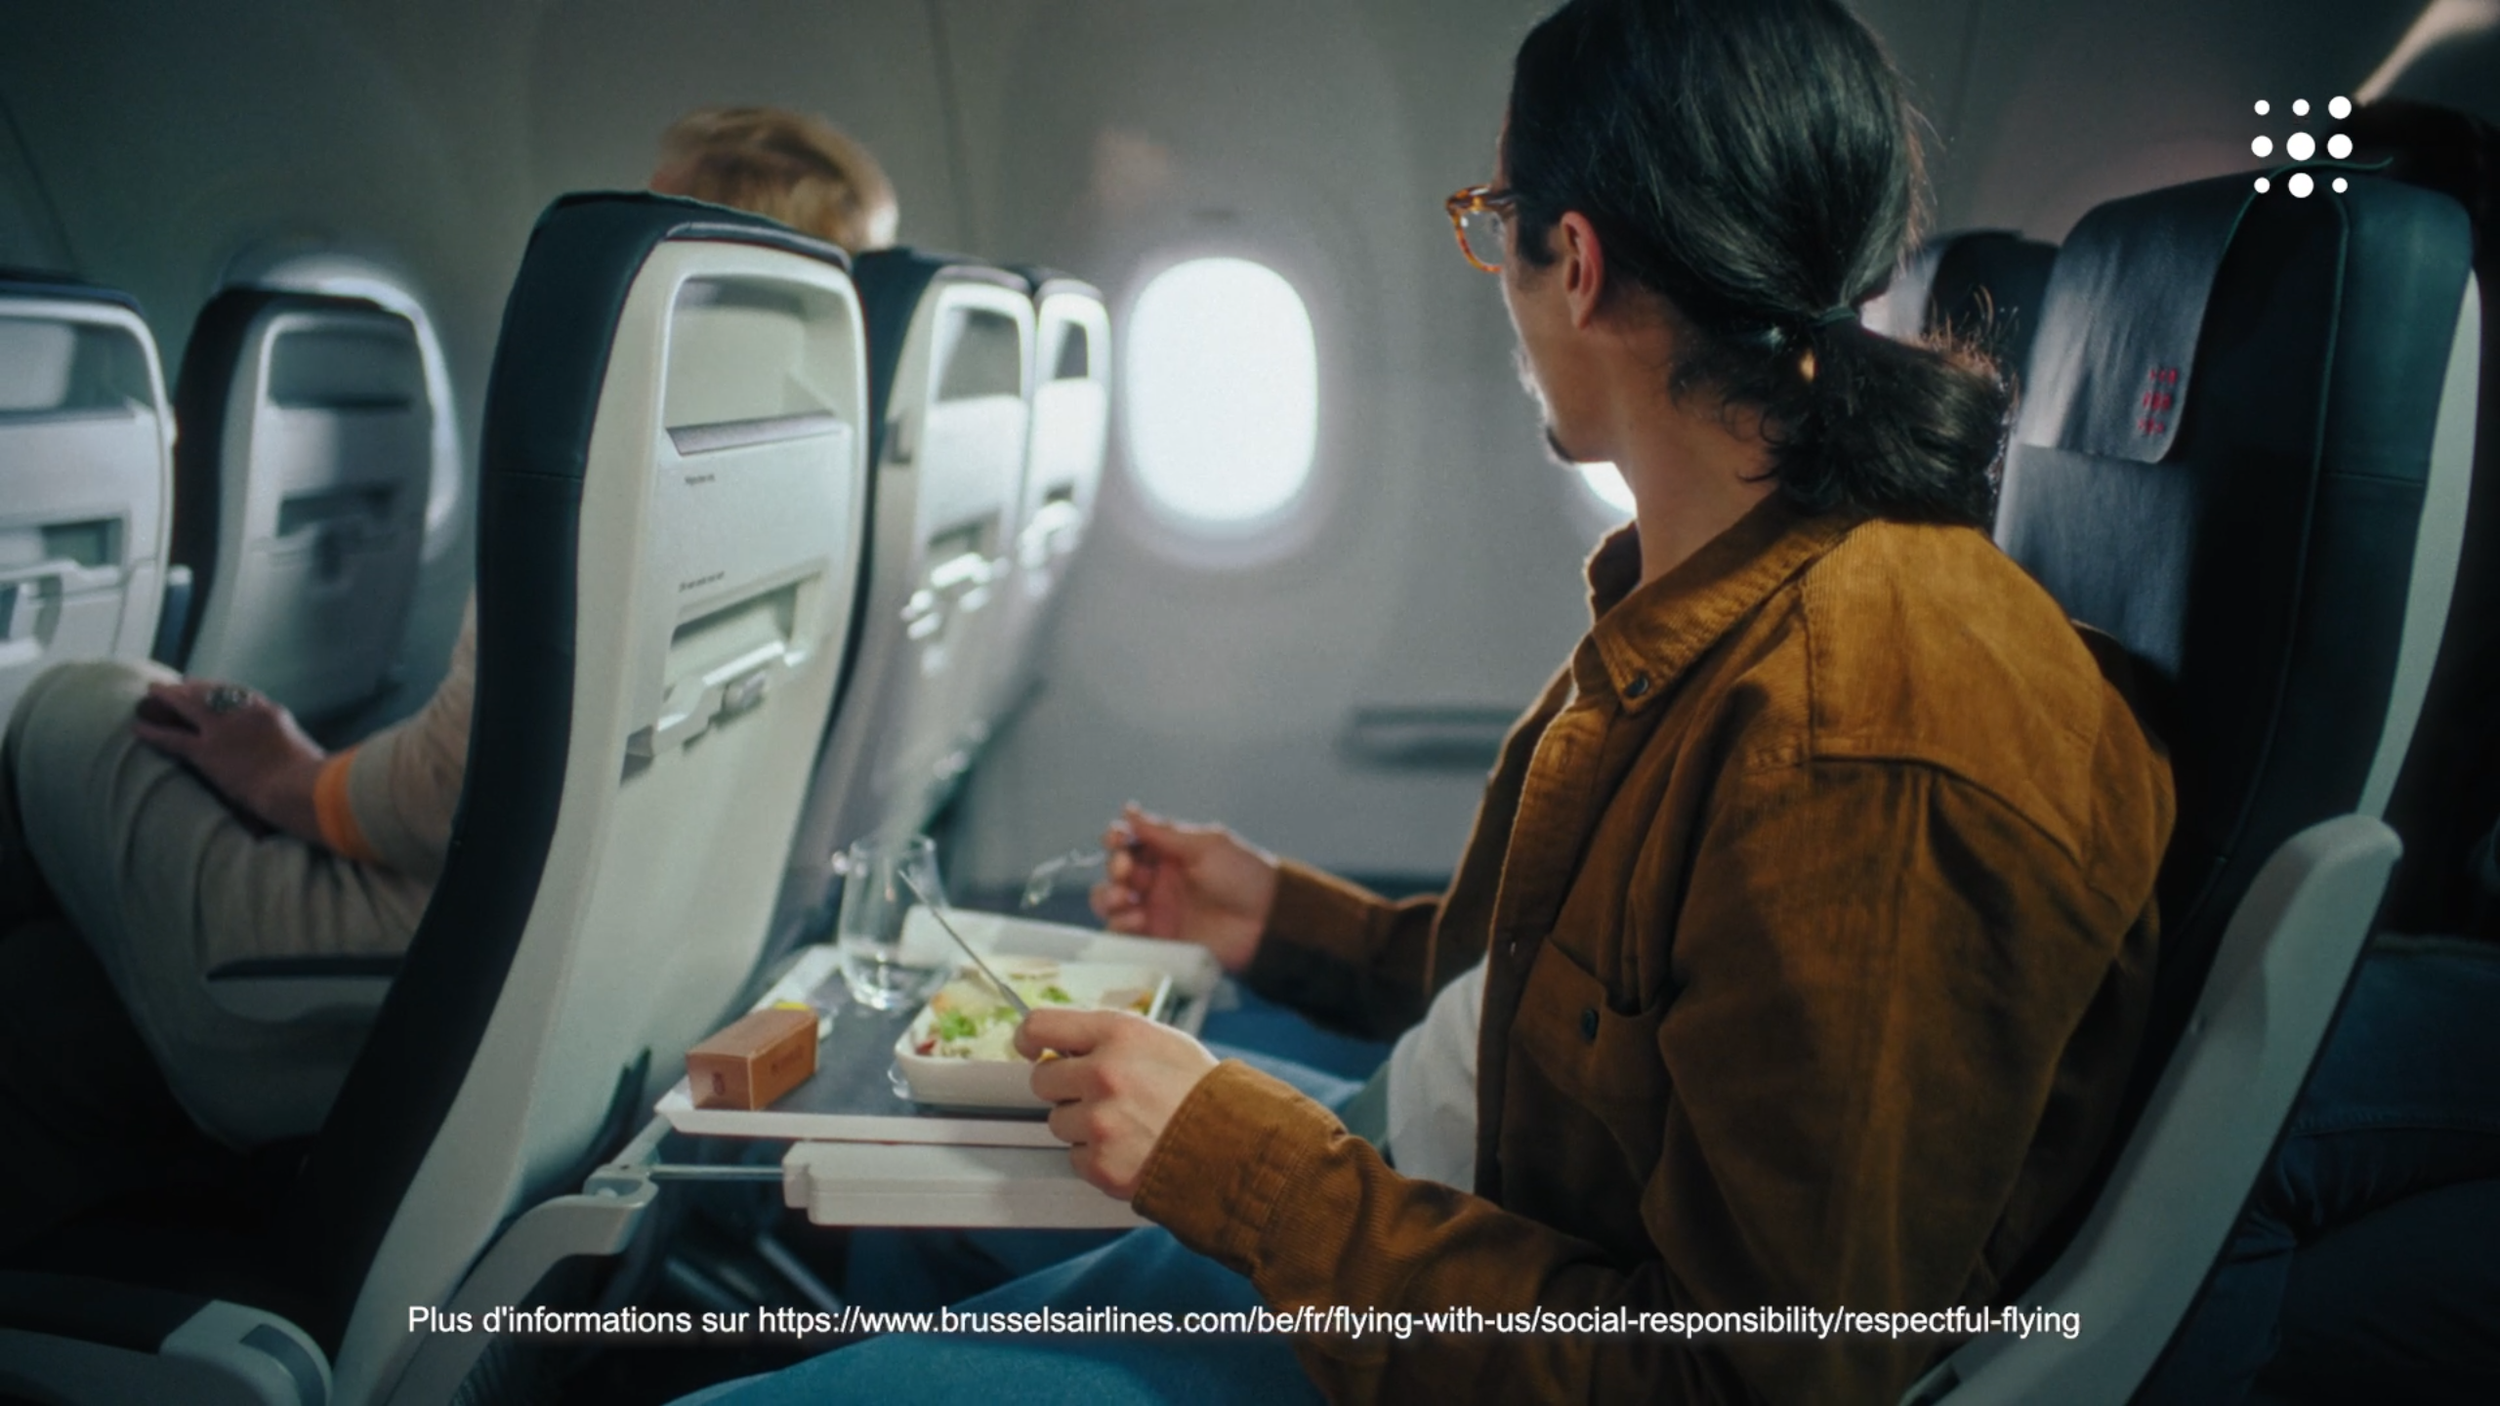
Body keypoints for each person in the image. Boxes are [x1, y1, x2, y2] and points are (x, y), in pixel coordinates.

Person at [677, 1, 2173, 1402]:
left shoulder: (1861, 739)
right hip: (1454, 1202)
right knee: (912, 1231)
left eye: (1496, 226)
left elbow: (1736, 1377)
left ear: (1574, 262)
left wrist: (1251, 1175)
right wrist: (1288, 925)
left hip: (1441, 1312)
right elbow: (1584, 1012)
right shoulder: (1734, 585)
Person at [0, 105, 898, 1249]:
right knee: (40, 993)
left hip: (449, 928)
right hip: (624, 925)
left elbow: (437, 795)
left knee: (79, 708)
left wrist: (293, 778)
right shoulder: (813, 462)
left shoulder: (628, 444)